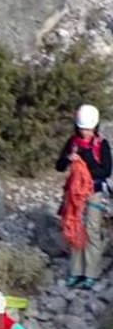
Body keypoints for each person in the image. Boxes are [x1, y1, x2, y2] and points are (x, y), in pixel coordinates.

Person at [56, 103, 112, 289]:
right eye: (82, 129)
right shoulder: (73, 143)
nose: (85, 133)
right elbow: (59, 166)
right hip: (74, 194)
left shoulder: (101, 144)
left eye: (88, 129)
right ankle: (76, 271)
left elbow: (105, 171)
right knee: (74, 228)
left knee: (92, 230)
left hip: (93, 193)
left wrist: (86, 160)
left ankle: (91, 273)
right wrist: (68, 159)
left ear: (95, 127)